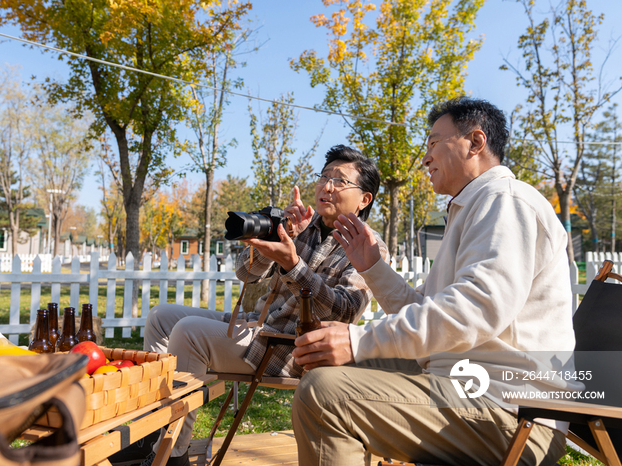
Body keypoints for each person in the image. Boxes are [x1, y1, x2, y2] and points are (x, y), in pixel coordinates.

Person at [291, 97, 581, 466]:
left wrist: (358, 339)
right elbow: (428, 312)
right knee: (328, 373)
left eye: (433, 143)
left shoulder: (506, 201)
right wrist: (374, 268)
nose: (425, 158)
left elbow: (476, 310)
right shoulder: (472, 208)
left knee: (324, 395)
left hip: (513, 412)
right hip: (468, 389)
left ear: (475, 143)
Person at [142, 145, 389, 466]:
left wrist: (293, 264)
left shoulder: (369, 246)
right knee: (161, 317)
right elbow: (245, 272)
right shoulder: (303, 224)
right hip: (258, 325)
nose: (327, 186)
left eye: (340, 181)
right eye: (324, 177)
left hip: (294, 349)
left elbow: (343, 312)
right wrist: (277, 236)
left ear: (364, 199)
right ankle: (154, 436)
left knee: (189, 332)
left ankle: (172, 455)